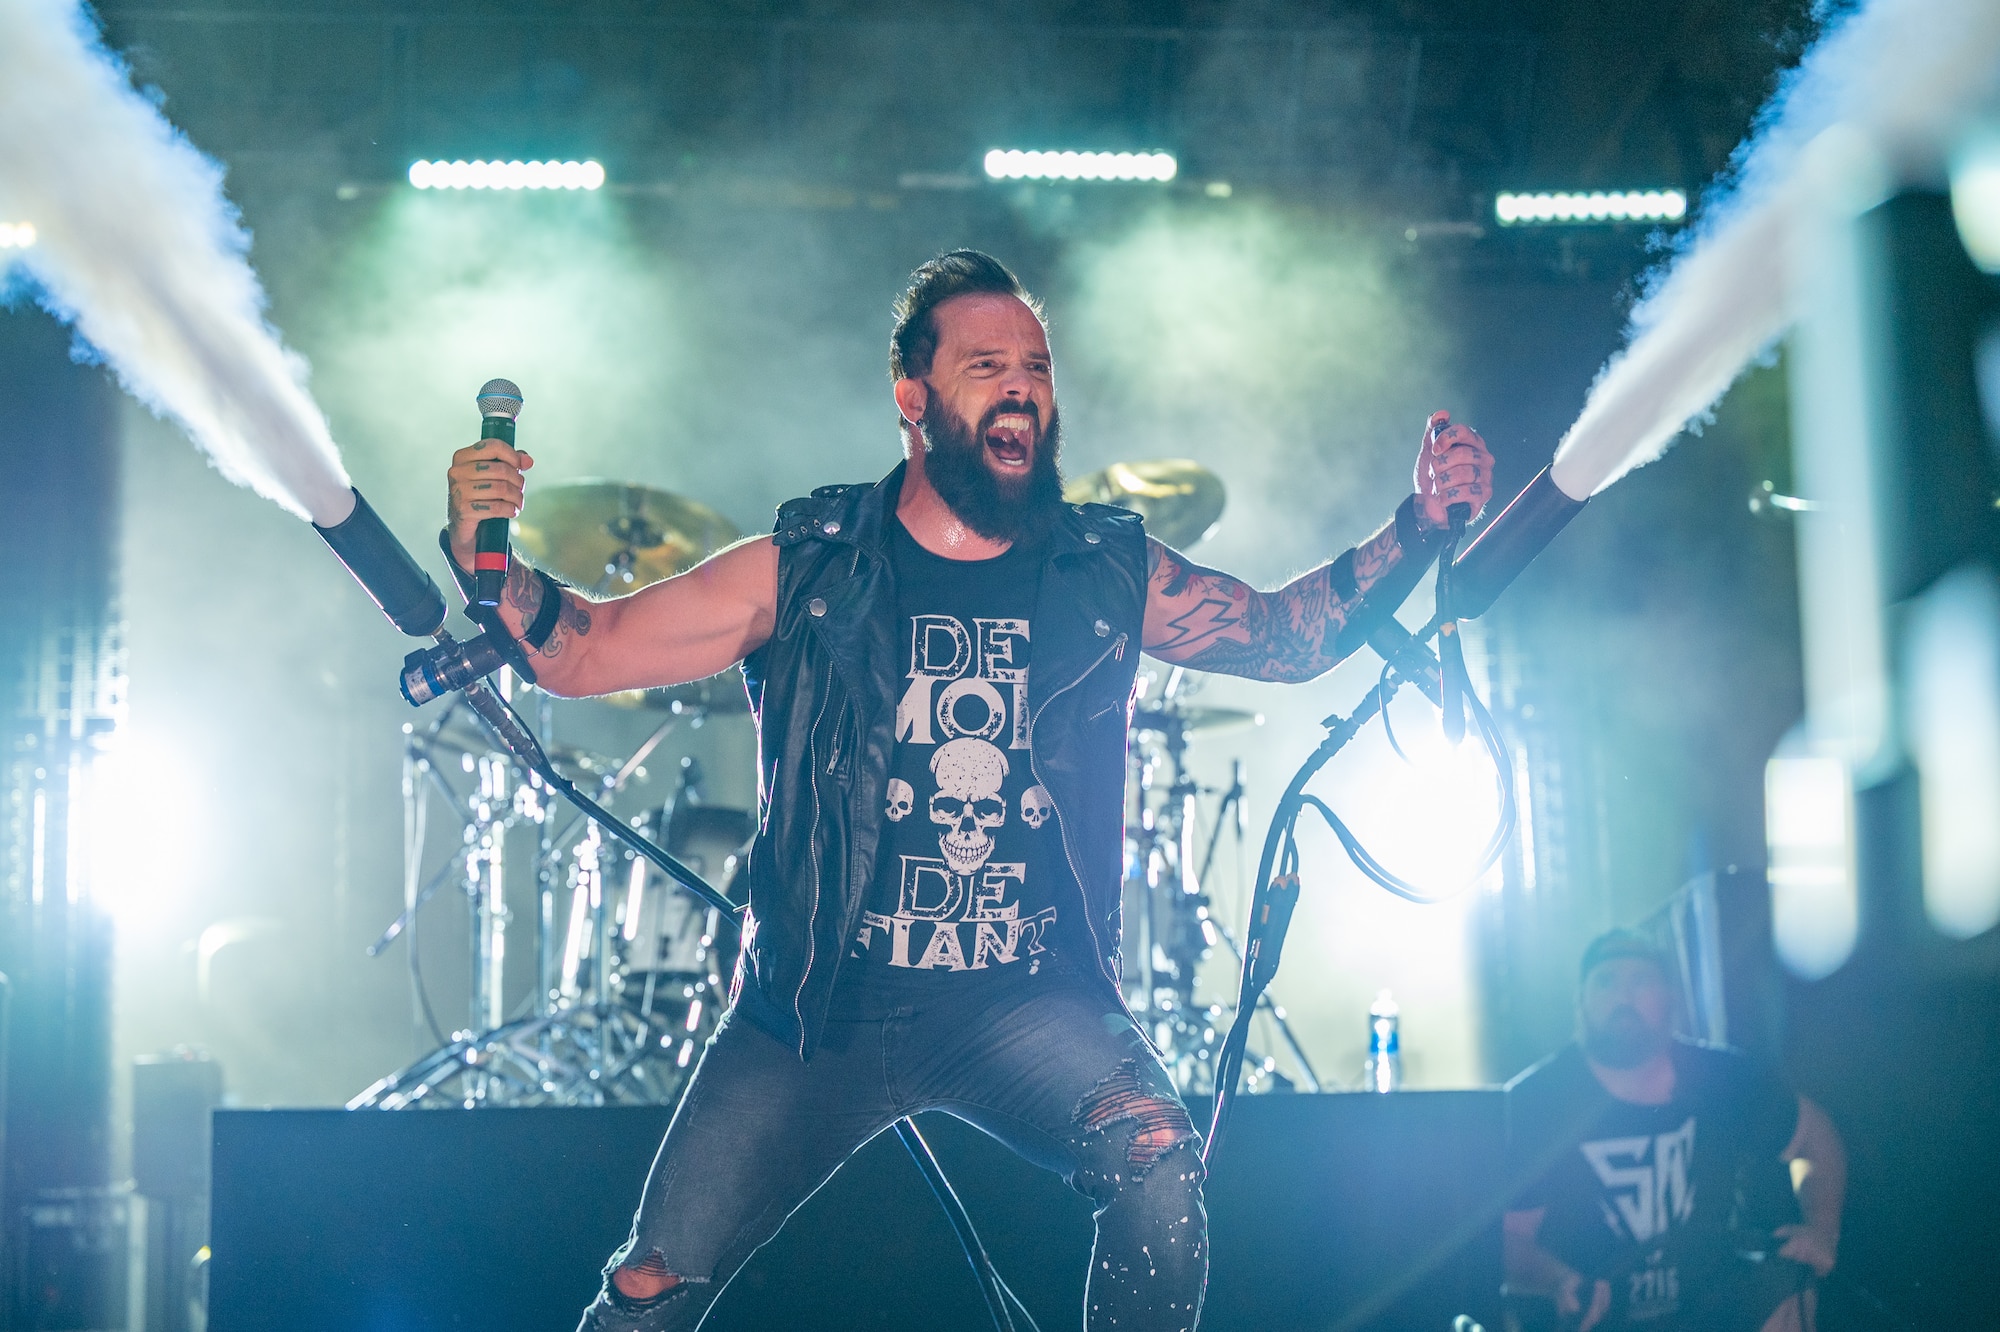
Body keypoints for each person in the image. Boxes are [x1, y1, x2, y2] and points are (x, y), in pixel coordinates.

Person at [442, 250, 1495, 1332]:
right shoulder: (805, 567)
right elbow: (583, 652)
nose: (1021, 388)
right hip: (811, 1013)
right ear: (913, 398)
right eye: (986, 364)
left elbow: (1281, 640)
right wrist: (489, 559)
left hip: (1022, 998)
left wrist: (1416, 525)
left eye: (1035, 367)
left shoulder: (1101, 569)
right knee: (646, 1290)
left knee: (1159, 1163)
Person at [1503, 930, 1847, 1332]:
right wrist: (1556, 1280)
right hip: (1599, 1316)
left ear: (1670, 999)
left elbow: (1816, 1138)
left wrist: (1823, 1232)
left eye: (1640, 980)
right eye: (1606, 981)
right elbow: (1508, 1239)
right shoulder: (1538, 1102)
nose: (1623, 996)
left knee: (1784, 1294)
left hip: (1714, 1309)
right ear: (1580, 1001)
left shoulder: (1724, 1079)